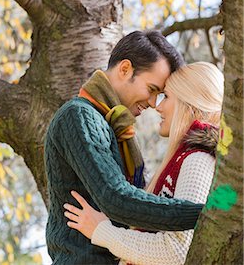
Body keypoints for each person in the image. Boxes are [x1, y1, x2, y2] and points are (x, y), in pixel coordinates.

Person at [44, 30, 204, 264]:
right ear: (125, 69)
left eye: (159, 95)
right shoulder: (79, 116)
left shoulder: (118, 130)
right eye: (151, 90)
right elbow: (116, 198)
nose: (152, 103)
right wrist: (208, 213)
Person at [63, 62, 222, 265]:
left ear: (189, 103)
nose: (159, 106)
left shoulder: (197, 160)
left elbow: (177, 251)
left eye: (167, 97)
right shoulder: (189, 159)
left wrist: (101, 231)